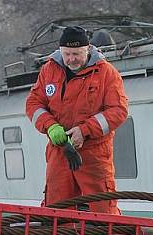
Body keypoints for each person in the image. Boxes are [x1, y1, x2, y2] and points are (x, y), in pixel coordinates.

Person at [25, 26, 129, 214]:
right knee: (56, 211)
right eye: (67, 54)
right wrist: (51, 127)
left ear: (88, 49)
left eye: (76, 54)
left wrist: (85, 130)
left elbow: (118, 110)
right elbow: (33, 103)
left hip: (94, 155)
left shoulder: (106, 73)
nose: (71, 59)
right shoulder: (49, 70)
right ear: (60, 51)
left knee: (103, 210)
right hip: (59, 152)